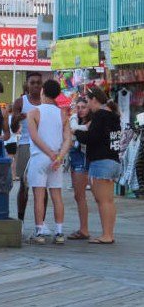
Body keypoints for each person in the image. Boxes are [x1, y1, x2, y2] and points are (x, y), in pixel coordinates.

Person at [75, 87, 122, 244]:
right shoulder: (113, 115)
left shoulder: (100, 115)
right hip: (113, 161)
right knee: (108, 200)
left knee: (103, 201)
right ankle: (109, 233)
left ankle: (107, 235)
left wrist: (75, 132)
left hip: (101, 161)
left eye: (87, 101)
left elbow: (91, 138)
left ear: (94, 99)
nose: (87, 105)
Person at [26, 79, 71, 245]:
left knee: (39, 196)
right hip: (57, 160)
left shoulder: (33, 112)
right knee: (56, 195)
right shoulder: (63, 114)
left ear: (43, 91)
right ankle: (59, 232)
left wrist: (50, 154)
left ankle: (40, 232)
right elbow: (68, 139)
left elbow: (34, 137)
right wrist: (59, 156)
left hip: (40, 157)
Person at [11, 72, 44, 223]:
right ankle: (21, 221)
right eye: (33, 83)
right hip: (25, 145)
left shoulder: (47, 102)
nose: (36, 85)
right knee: (24, 185)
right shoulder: (20, 102)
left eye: (38, 82)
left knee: (42, 186)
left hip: (44, 147)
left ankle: (41, 223)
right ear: (27, 84)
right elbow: (12, 128)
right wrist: (17, 118)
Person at [68, 97, 92, 240]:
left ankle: (84, 229)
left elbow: (76, 130)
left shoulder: (89, 122)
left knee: (80, 195)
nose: (81, 110)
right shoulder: (79, 121)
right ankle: (83, 228)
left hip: (81, 159)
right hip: (74, 157)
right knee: (78, 195)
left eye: (84, 107)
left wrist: (73, 125)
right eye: (79, 107)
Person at [4, 103, 18, 180]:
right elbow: (16, 131)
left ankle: (7, 175)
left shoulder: (4, 119)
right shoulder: (13, 119)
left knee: (7, 159)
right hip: (12, 140)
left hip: (5, 141)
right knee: (13, 160)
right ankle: (13, 175)